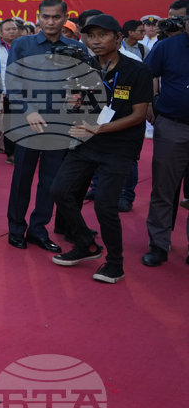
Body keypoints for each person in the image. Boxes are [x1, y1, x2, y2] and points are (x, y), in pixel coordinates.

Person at [51, 15, 153, 283]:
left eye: (102, 35)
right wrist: (72, 104)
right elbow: (76, 107)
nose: (95, 41)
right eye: (91, 36)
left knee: (105, 206)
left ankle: (115, 263)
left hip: (119, 147)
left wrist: (97, 128)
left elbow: (139, 114)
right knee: (60, 191)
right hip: (87, 142)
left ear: (118, 38)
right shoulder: (82, 69)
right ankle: (87, 243)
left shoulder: (138, 70)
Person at [4, 0, 89, 250]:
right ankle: (16, 228)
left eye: (56, 17)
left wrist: (78, 98)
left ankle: (39, 229)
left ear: (65, 18)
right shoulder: (22, 44)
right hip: (26, 122)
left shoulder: (77, 48)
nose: (50, 22)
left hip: (60, 124)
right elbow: (13, 84)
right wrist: (29, 111)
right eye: (45, 17)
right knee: (22, 177)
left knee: (51, 181)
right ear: (38, 17)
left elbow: (84, 85)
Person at [141, 0, 189, 268]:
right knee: (163, 188)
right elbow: (146, 75)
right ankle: (159, 244)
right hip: (172, 125)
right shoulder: (166, 47)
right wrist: (149, 103)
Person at [0, 18, 21, 166]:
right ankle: (11, 153)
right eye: (8, 29)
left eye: (14, 29)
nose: (12, 31)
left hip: (20, 91)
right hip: (3, 92)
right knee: (8, 124)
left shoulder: (22, 46)